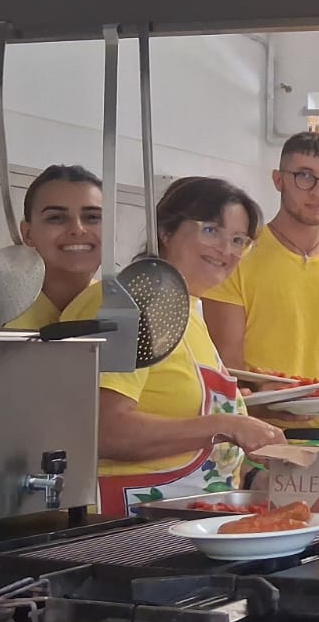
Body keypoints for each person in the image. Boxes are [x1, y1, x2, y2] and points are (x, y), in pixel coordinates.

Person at [63, 177, 285, 516]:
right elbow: (103, 431)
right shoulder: (135, 301)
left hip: (183, 518)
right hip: (122, 524)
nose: (226, 250)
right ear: (166, 231)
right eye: (211, 231)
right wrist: (227, 426)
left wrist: (257, 479)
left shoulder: (188, 311)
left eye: (238, 240)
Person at [204, 132, 319, 494]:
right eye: (304, 176)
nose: (317, 191)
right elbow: (225, 367)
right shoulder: (237, 260)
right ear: (279, 180)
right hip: (262, 443)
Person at [6, 164, 103, 329]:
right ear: (28, 234)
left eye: (92, 217)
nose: (77, 229)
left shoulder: (130, 312)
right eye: (56, 218)